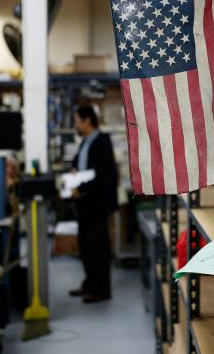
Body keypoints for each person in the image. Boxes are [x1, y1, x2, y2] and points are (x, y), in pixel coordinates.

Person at [69, 106, 118, 303]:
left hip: (97, 204)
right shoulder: (86, 143)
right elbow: (77, 163)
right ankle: (90, 284)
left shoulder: (101, 143)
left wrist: (81, 189)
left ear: (87, 120)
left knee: (98, 248)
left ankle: (102, 290)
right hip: (85, 204)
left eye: (77, 121)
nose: (76, 125)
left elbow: (104, 177)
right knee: (86, 246)